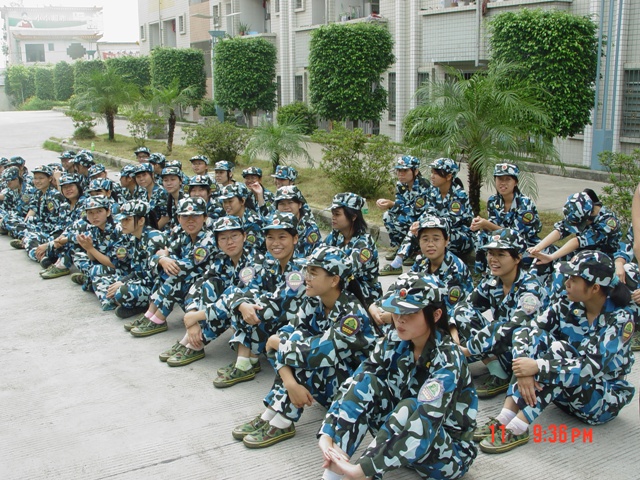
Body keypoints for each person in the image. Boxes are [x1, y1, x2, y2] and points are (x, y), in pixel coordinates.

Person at [318, 272, 478, 480]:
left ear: (436, 315)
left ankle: (362, 474)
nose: (400, 319)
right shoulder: (395, 339)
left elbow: (425, 421)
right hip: (400, 443)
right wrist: (328, 433)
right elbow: (356, 381)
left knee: (410, 405)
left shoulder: (448, 358)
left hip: (445, 455)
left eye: (410, 312)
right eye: (396, 310)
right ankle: (334, 468)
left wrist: (364, 469)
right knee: (366, 382)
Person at [475, 251, 636, 454]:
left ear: (595, 288)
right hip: (563, 393)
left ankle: (518, 427)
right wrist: (524, 369)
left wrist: (537, 366)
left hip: (599, 400)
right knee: (535, 338)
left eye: (573, 280)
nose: (566, 283)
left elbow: (588, 368)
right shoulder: (568, 303)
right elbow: (527, 331)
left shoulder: (620, 319)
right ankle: (504, 417)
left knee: (561, 350)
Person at [233, 246, 376, 448]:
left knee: (306, 351)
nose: (306, 277)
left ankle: (283, 420)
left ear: (334, 280)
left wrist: (278, 344)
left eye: (313, 273)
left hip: (354, 392)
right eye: (307, 271)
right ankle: (271, 413)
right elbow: (287, 333)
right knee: (298, 340)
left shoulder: (352, 315)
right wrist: (290, 383)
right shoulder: (314, 301)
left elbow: (318, 354)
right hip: (326, 377)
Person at [212, 212, 306, 388]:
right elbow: (244, 288)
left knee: (252, 309)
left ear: (295, 239)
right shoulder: (271, 264)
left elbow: (277, 304)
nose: (275, 243)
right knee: (243, 303)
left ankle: (245, 362)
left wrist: (244, 305)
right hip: (275, 320)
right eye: (270, 237)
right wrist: (241, 303)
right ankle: (248, 361)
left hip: (297, 328)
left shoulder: (300, 270)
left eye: (282, 237)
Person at [451, 228, 547, 399]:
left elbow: (513, 328)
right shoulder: (493, 281)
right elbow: (464, 306)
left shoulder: (530, 289)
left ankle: (502, 372)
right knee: (461, 312)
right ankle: (496, 368)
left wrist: (468, 350)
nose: (493, 259)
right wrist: (454, 337)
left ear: (517, 258)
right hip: (499, 345)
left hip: (525, 352)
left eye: (501, 254)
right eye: (490, 253)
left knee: (500, 329)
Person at [158, 215, 262, 366]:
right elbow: (199, 284)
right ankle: (190, 337)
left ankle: (197, 343)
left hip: (253, 315)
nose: (230, 242)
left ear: (244, 236)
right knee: (210, 285)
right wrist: (192, 313)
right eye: (223, 238)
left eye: (234, 236)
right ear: (218, 242)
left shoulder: (254, 260)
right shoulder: (222, 259)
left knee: (230, 298)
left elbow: (235, 300)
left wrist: (197, 317)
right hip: (226, 308)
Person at [128, 197, 216, 337]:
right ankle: (150, 314)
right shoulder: (185, 237)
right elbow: (157, 256)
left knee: (175, 273)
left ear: (205, 217)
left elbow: (186, 265)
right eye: (185, 216)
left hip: (206, 292)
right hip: (189, 288)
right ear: (179, 218)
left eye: (195, 216)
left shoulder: (208, 239)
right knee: (169, 270)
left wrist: (165, 259)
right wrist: (163, 259)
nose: (190, 220)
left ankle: (158, 319)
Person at [383, 158, 473, 276]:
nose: (432, 176)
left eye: (436, 173)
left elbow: (452, 220)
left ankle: (437, 268)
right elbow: (428, 212)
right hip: (440, 230)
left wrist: (426, 223)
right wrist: (420, 223)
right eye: (432, 172)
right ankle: (398, 262)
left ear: (448, 176)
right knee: (416, 228)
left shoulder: (459, 194)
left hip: (460, 235)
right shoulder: (434, 191)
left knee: (436, 235)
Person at [471, 162, 541, 272]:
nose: (503, 183)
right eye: (500, 179)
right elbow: (493, 227)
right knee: (480, 236)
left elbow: (515, 235)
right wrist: (480, 224)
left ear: (515, 182)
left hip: (524, 244)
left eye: (508, 179)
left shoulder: (525, 203)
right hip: (500, 241)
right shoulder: (493, 201)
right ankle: (484, 271)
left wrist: (486, 224)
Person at [323, 192, 382, 309]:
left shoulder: (364, 243)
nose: (333, 217)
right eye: (332, 213)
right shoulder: (336, 235)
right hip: (341, 285)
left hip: (364, 293)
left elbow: (347, 269)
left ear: (353, 216)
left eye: (337, 214)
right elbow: (317, 255)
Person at [376, 155, 430, 262]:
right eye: (399, 170)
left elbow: (416, 211)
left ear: (415, 171)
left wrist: (393, 205)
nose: (401, 173)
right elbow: (400, 203)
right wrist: (388, 204)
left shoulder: (423, 186)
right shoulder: (401, 185)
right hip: (409, 216)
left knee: (401, 220)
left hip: (423, 219)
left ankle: (415, 251)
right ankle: (398, 248)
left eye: (405, 170)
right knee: (388, 216)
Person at [70, 195, 121, 293]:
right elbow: (92, 258)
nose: (95, 216)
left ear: (108, 212)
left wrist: (91, 249)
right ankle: (91, 279)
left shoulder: (117, 229)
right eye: (90, 213)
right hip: (103, 262)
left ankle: (90, 280)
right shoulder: (94, 229)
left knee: (96, 269)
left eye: (99, 211)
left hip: (121, 268)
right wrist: (88, 247)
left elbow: (114, 264)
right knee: (78, 256)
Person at [273, 185, 321, 257]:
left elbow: (313, 255)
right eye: (282, 203)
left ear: (299, 205)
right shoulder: (273, 225)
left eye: (290, 202)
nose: (286, 207)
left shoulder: (310, 228)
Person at [218, 183, 265, 253]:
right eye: (225, 202)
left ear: (242, 201)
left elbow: (248, 249)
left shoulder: (254, 221)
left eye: (230, 201)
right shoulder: (226, 219)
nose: (227, 205)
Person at [134, 163, 169, 229]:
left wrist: (152, 232)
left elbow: (166, 218)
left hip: (162, 230)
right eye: (138, 177)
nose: (141, 179)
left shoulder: (161, 192)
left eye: (144, 175)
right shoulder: (142, 193)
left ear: (152, 175)